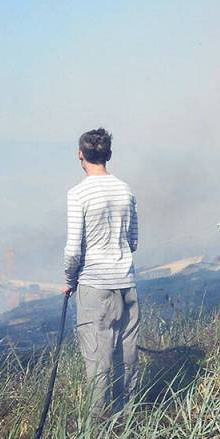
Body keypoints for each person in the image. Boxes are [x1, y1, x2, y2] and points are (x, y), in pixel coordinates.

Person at [64, 128, 140, 418]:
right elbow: (133, 241)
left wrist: (70, 281)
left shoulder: (78, 194)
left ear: (80, 155)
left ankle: (95, 426)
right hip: (127, 283)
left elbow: (73, 250)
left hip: (95, 286)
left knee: (97, 359)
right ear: (108, 154)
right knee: (127, 354)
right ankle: (128, 416)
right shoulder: (126, 190)